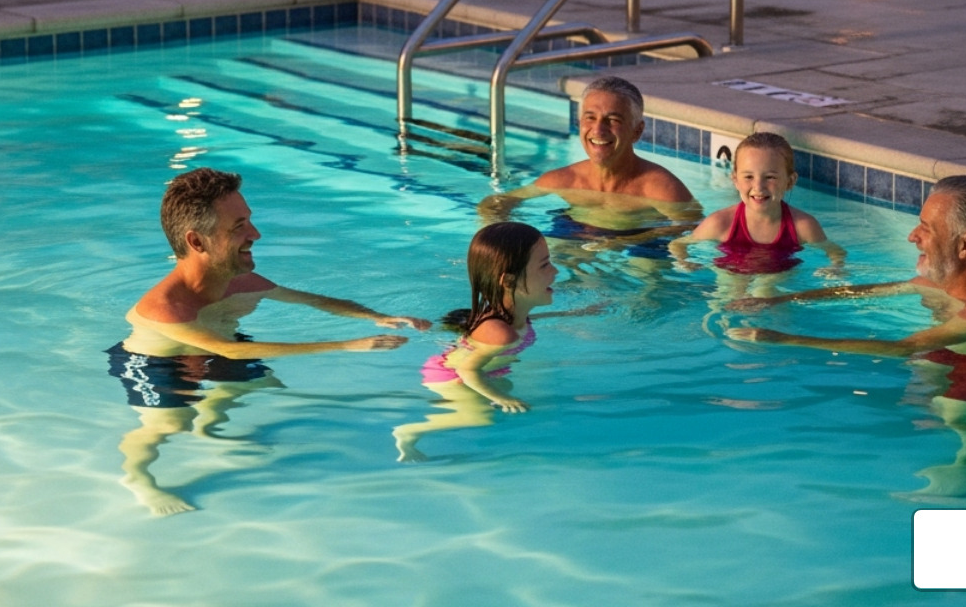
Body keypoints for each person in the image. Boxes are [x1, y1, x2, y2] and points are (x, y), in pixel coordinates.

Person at [726, 175, 966, 496]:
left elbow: (901, 347)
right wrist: (777, 299)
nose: (912, 236)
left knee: (954, 408)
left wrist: (785, 339)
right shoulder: (946, 276)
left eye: (926, 228)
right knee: (921, 385)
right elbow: (867, 291)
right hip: (960, 344)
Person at [113, 167, 430, 515]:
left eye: (249, 221)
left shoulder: (239, 281)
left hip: (217, 342)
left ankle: (209, 428)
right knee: (170, 424)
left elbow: (314, 300)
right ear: (197, 242)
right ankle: (137, 478)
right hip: (157, 363)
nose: (256, 234)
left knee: (261, 383)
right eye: (238, 227)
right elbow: (230, 351)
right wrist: (347, 344)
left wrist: (374, 315)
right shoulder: (164, 307)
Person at [392, 222, 600, 462]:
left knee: (508, 392)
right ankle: (409, 431)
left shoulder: (514, 317)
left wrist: (573, 314)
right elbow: (466, 368)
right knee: (480, 417)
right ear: (509, 281)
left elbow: (529, 322)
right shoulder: (501, 333)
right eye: (544, 265)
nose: (555, 272)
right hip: (453, 377)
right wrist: (500, 398)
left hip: (484, 369)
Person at [478, 77, 702, 265]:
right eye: (590, 118)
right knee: (549, 267)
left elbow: (694, 226)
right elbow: (495, 202)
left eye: (612, 120)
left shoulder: (660, 187)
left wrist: (632, 240)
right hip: (576, 229)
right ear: (580, 123)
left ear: (637, 131)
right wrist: (501, 238)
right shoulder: (564, 180)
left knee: (647, 281)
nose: (598, 130)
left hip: (642, 239)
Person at [670, 133, 842, 279]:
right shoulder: (721, 223)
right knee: (729, 289)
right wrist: (684, 262)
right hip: (731, 276)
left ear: (790, 181)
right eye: (748, 177)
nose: (758, 187)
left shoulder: (802, 226)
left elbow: (835, 252)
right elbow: (678, 244)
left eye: (770, 177)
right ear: (735, 180)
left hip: (777, 280)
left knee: (766, 288)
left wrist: (835, 267)